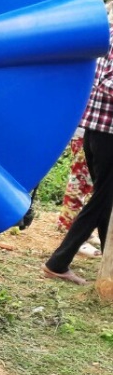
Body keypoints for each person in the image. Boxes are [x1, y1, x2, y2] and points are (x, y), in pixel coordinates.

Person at [43, 21, 113, 284]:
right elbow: (106, 81)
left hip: (99, 130)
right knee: (101, 201)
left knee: (105, 200)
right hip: (107, 133)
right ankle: (58, 261)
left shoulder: (107, 34)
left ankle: (109, 261)